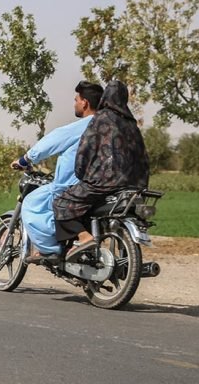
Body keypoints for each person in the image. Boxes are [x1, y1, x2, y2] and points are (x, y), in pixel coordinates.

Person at [52, 80, 150, 261]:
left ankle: (83, 237)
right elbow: (143, 155)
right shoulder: (131, 123)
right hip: (134, 184)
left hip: (105, 182)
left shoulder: (102, 118)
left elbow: (85, 149)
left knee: (61, 203)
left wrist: (82, 174)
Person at [11, 81, 104, 264]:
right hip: (102, 185)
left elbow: (48, 143)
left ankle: (50, 250)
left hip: (71, 185)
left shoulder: (81, 126)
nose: (74, 103)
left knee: (32, 203)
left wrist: (24, 161)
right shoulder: (109, 127)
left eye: (76, 99)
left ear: (84, 102)